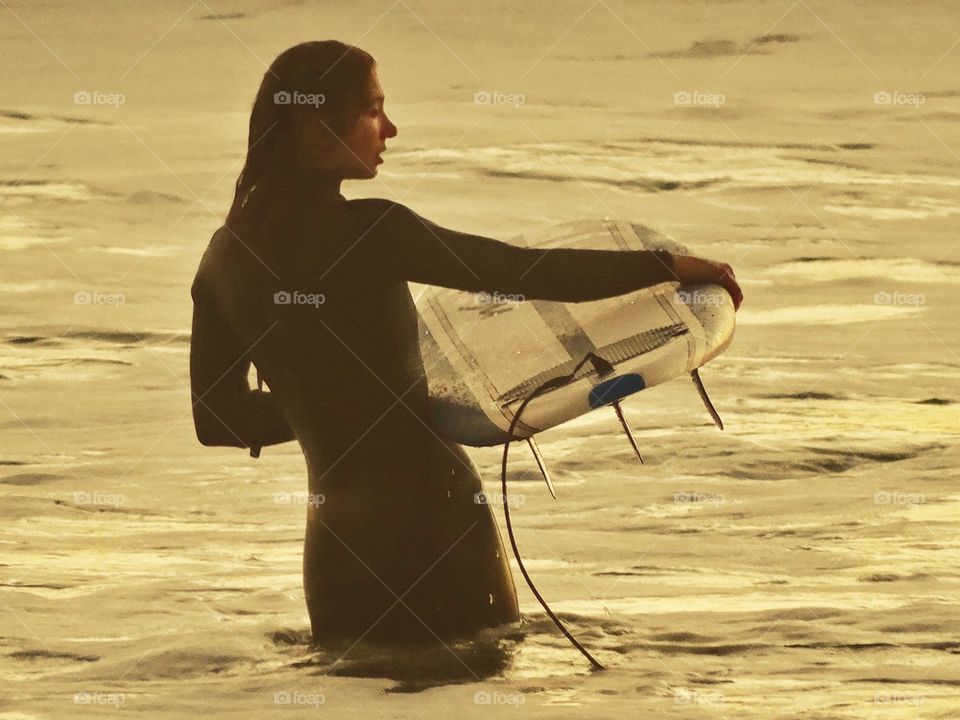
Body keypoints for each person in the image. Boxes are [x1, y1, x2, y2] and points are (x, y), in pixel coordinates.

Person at [189, 41, 743, 648]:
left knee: (354, 697)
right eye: (374, 110)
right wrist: (667, 266)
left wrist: (324, 407)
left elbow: (217, 419)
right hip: (437, 524)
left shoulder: (224, 259)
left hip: (338, 551)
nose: (390, 128)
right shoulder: (374, 232)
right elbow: (525, 273)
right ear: (321, 131)